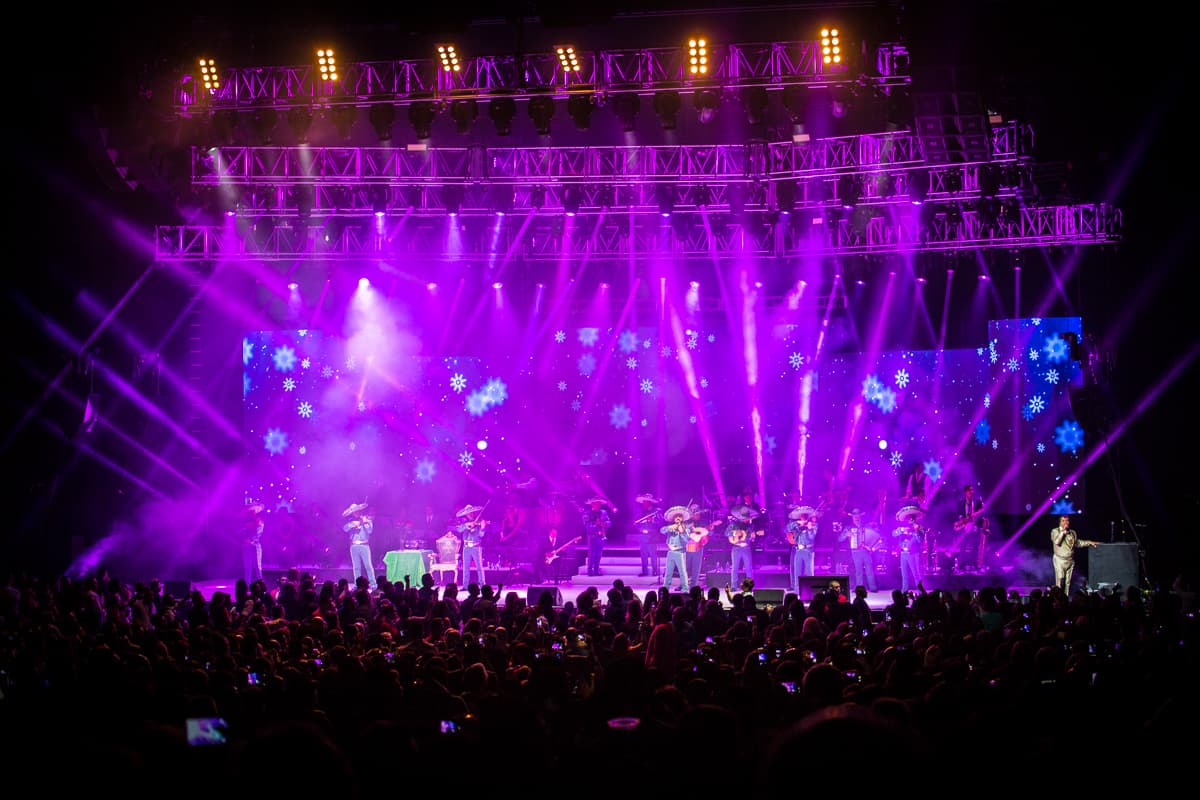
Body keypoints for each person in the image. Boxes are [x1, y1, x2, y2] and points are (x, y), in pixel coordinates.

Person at [1051, 515, 1098, 593]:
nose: (1066, 522)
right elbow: (1057, 542)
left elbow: (1077, 543)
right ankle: (1058, 598)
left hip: (1070, 560)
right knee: (1060, 579)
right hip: (1059, 560)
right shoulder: (1055, 531)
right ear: (1060, 522)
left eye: (1067, 520)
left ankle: (1065, 599)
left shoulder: (1073, 532)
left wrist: (1089, 542)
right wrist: (1063, 532)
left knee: (1068, 583)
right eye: (1063, 521)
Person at [839, 507, 879, 592]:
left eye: (858, 515)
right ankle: (859, 588)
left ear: (860, 516)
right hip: (855, 551)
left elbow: (875, 536)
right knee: (858, 570)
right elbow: (840, 539)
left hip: (866, 551)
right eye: (854, 515)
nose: (856, 517)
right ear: (852, 517)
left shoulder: (866, 526)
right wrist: (846, 534)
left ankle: (873, 588)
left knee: (869, 569)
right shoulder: (848, 527)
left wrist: (871, 547)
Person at [342, 501, 377, 591]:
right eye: (354, 511)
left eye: (357, 511)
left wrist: (364, 523)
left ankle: (373, 584)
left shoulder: (367, 519)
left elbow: (370, 531)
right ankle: (357, 584)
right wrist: (352, 525)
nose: (356, 513)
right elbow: (344, 529)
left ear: (360, 511)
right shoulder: (350, 521)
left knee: (368, 566)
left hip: (364, 545)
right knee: (356, 567)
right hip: (354, 546)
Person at [892, 505, 926, 594]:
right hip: (903, 553)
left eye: (911, 518)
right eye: (908, 518)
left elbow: (920, 540)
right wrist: (901, 530)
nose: (909, 520)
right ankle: (904, 591)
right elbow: (893, 534)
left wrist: (915, 531)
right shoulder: (902, 528)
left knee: (916, 573)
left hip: (913, 553)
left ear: (914, 518)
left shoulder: (919, 528)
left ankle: (920, 591)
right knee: (904, 574)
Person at [727, 504, 761, 590]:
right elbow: (726, 533)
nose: (746, 520)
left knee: (748, 568)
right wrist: (735, 533)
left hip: (746, 548)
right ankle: (734, 586)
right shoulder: (733, 524)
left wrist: (753, 536)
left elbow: (751, 538)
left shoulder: (750, 526)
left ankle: (750, 586)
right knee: (735, 568)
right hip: (736, 548)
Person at [953, 484, 986, 571]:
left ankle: (974, 564)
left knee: (975, 546)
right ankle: (961, 564)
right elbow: (959, 513)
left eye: (972, 490)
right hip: (964, 526)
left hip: (974, 526)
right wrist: (963, 521)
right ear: (965, 492)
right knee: (962, 546)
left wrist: (976, 525)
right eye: (970, 490)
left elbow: (981, 514)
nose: (972, 492)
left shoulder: (977, 502)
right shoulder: (960, 502)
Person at [660, 505, 693, 591]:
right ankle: (665, 589)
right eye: (676, 517)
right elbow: (662, 530)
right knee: (668, 572)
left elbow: (687, 540)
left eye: (679, 517)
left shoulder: (686, 528)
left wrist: (682, 531)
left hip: (680, 552)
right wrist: (670, 527)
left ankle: (685, 589)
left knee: (682, 572)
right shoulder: (671, 527)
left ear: (682, 518)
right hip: (670, 552)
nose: (677, 518)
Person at [456, 503, 489, 586]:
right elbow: (459, 530)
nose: (470, 514)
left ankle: (482, 584)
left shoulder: (479, 521)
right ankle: (465, 585)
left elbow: (481, 535)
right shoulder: (464, 523)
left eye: (471, 513)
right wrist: (467, 525)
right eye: (468, 513)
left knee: (479, 567)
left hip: (476, 547)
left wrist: (482, 528)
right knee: (465, 568)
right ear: (466, 514)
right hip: (466, 547)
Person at [786, 505, 818, 592]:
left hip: (808, 551)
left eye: (805, 515)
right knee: (797, 572)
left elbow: (811, 538)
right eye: (802, 515)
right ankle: (797, 592)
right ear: (799, 516)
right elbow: (787, 528)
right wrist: (798, 523)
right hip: (798, 550)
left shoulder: (813, 525)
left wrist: (810, 529)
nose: (803, 516)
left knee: (809, 572)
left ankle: (810, 592)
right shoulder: (796, 525)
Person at [633, 493, 663, 577]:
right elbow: (636, 523)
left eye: (646, 502)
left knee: (653, 554)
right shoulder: (640, 512)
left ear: (650, 502)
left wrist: (652, 521)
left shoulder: (656, 511)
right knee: (643, 554)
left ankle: (655, 571)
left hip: (652, 535)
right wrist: (640, 528)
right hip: (643, 535)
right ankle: (644, 571)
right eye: (644, 502)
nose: (645, 503)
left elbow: (660, 522)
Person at [582, 497, 612, 577]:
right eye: (597, 504)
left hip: (601, 536)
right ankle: (590, 571)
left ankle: (596, 570)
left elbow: (609, 521)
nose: (598, 505)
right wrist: (596, 524)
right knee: (591, 553)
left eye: (599, 504)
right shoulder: (587, 513)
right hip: (592, 536)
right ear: (592, 504)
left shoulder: (603, 512)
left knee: (599, 553)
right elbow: (586, 525)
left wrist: (605, 524)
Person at [240, 503, 265, 586]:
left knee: (257, 567)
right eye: (250, 511)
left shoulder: (259, 521)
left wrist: (250, 539)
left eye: (253, 511)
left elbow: (258, 533)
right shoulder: (244, 522)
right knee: (247, 568)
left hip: (255, 546)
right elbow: (240, 533)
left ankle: (262, 586)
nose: (252, 512)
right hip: (246, 547)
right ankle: (246, 587)